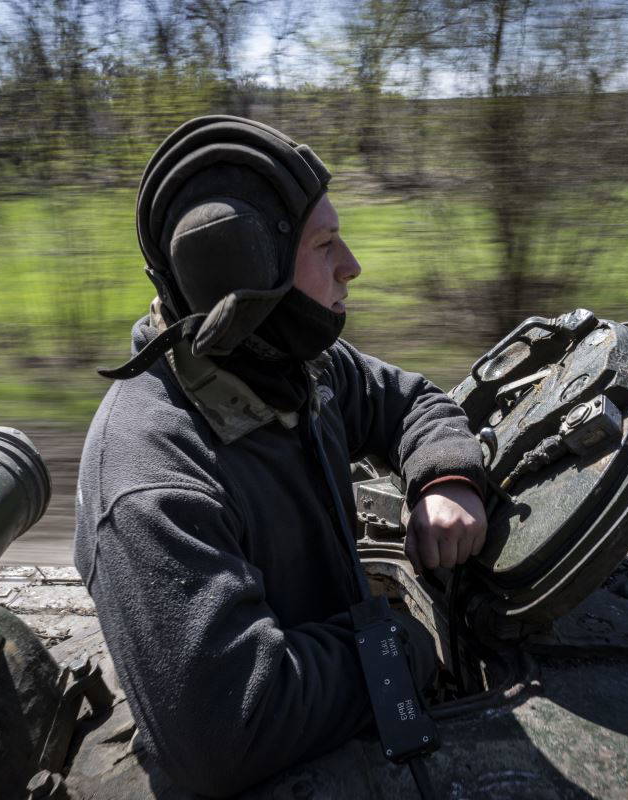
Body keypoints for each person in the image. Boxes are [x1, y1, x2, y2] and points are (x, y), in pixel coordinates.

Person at [74, 116, 488, 797]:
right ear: (247, 279)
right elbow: (232, 727)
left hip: (338, 726)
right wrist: (407, 643)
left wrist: (445, 475)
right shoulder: (153, 480)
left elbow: (408, 400)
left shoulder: (297, 367)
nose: (351, 264)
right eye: (325, 244)